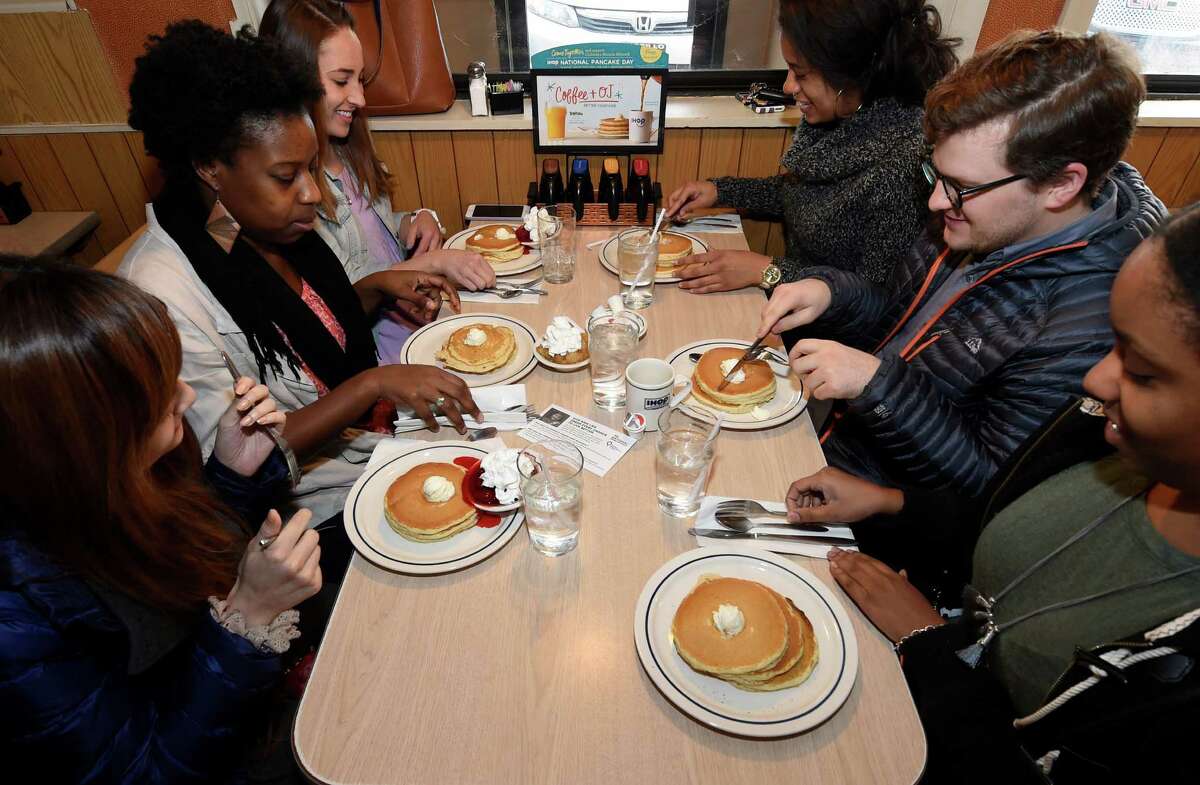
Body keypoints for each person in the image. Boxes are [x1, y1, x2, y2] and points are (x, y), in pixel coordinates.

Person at [825, 204, 1200, 784]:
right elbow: (999, 507)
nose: (1095, 380)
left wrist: (930, 646)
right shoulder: (1103, 433)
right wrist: (890, 502)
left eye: (1143, 372)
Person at [759, 30, 1165, 517]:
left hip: (875, 512)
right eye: (937, 176)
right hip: (833, 439)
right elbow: (903, 324)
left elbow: (985, 490)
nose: (935, 202)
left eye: (961, 187)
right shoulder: (982, 215)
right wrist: (831, 292)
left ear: (1061, 185)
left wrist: (874, 383)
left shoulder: (1090, 321)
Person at [119, 21, 480, 523]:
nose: (311, 192)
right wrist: (372, 384)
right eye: (287, 176)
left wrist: (374, 288)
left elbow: (310, 335)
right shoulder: (159, 294)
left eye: (311, 168)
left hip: (371, 440)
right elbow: (231, 461)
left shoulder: (255, 226)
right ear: (209, 166)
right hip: (313, 508)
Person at [0, 260, 321, 783]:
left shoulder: (106, 480)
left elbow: (179, 563)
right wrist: (249, 616)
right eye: (157, 394)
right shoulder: (17, 621)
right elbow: (144, 772)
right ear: (83, 434)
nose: (186, 396)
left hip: (244, 703)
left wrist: (233, 471)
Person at [664, 0, 958, 294]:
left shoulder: (901, 169)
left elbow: (874, 296)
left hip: (826, 335)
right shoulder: (843, 113)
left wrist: (767, 270)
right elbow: (802, 196)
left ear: (850, 74)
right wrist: (720, 191)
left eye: (800, 73)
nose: (788, 87)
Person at [259, 0, 495, 363]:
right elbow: (340, 297)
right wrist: (432, 262)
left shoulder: (349, 150)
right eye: (342, 80)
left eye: (361, 79)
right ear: (294, 82)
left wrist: (416, 219)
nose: (360, 97)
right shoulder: (293, 195)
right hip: (380, 356)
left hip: (419, 322)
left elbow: (375, 233)